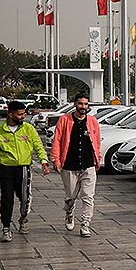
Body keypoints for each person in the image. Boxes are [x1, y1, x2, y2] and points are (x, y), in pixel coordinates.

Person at [0, 100, 50, 242]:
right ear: (10, 114)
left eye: (24, 114)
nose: (23, 117)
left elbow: (38, 146)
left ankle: (23, 219)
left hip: (23, 169)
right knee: (6, 199)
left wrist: (44, 162)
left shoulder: (28, 129)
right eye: (20, 114)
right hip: (6, 169)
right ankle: (6, 228)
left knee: (25, 198)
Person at [50, 91, 102, 237]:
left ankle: (85, 224)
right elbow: (57, 141)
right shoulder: (64, 120)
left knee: (88, 197)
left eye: (85, 104)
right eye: (80, 103)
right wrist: (56, 160)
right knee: (70, 196)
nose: (83, 106)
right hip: (69, 165)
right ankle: (69, 213)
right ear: (75, 104)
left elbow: (97, 141)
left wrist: (98, 158)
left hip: (88, 165)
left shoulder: (92, 121)